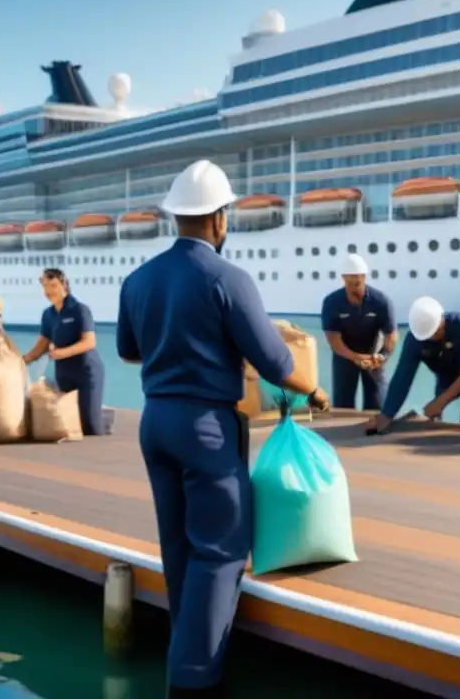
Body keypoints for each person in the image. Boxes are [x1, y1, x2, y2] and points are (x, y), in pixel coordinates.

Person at [116, 159, 329, 697]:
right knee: (220, 548)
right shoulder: (228, 278)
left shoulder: (137, 279)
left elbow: (127, 350)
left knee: (178, 545)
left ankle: (182, 654)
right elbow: (278, 362)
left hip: (154, 420)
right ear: (218, 219)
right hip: (206, 426)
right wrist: (316, 390)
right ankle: (193, 678)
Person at [367, 296, 460, 434]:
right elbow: (402, 378)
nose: (432, 337)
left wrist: (439, 402)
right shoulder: (414, 340)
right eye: (428, 335)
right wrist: (386, 415)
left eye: (436, 331)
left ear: (442, 319)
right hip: (447, 371)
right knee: (434, 420)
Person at [23, 268, 107, 436]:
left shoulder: (80, 309)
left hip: (86, 372)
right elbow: (41, 347)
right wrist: (20, 360)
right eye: (45, 286)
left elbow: (89, 342)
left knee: (90, 426)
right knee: (69, 424)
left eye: (53, 285)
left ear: (64, 285)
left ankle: (104, 421)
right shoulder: (48, 314)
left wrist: (61, 353)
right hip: (64, 374)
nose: (48, 291)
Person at [320, 253, 398, 410]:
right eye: (350, 283)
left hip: (373, 355)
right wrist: (355, 357)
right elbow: (333, 339)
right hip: (344, 356)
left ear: (364, 277)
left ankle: (376, 432)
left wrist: (381, 357)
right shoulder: (331, 302)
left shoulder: (381, 301)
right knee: (343, 406)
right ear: (343, 279)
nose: (354, 287)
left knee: (377, 405)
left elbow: (391, 335)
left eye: (357, 283)